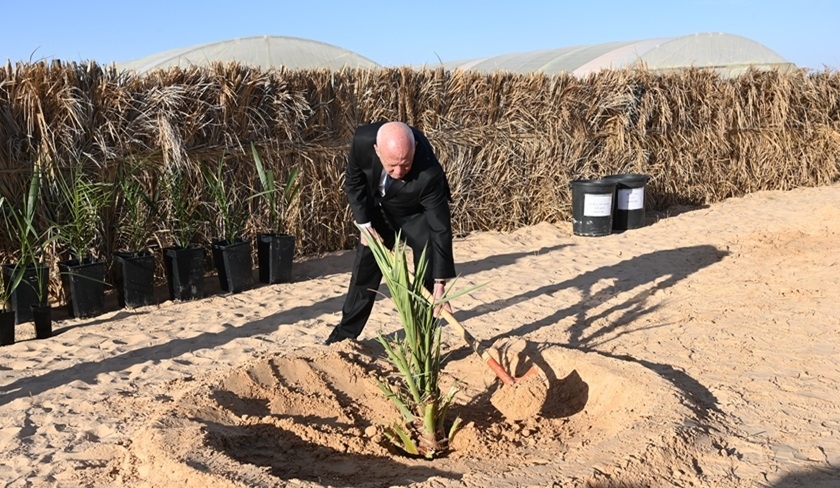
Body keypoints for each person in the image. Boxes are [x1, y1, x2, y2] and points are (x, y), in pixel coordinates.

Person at [325, 121, 456, 345]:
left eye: (405, 164)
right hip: (378, 212)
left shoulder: (429, 173)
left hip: (414, 215)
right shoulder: (362, 140)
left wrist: (440, 283)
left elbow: (440, 228)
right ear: (377, 150)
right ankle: (343, 337)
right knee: (364, 271)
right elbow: (354, 183)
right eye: (392, 165)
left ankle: (421, 341)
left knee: (428, 259)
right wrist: (364, 225)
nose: (398, 172)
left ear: (414, 147)